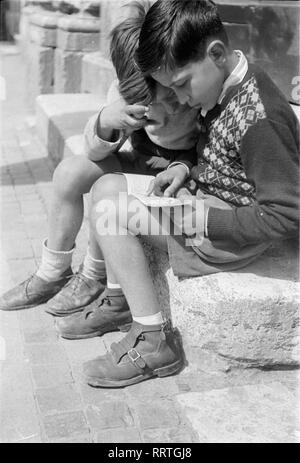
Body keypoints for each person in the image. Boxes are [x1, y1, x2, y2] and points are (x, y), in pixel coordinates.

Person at [77, 0, 299, 388]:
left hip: (228, 234)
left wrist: (205, 219)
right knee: (106, 186)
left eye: (179, 85)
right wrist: (186, 169)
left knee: (111, 212)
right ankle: (118, 299)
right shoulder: (221, 86)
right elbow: (226, 162)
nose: (179, 99)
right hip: (206, 203)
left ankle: (152, 340)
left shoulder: (260, 116)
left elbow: (286, 212)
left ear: (215, 54)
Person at [0, 1, 198, 317]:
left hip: (171, 181)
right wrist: (107, 120)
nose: (164, 108)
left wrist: (183, 163)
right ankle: (53, 271)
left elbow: (209, 154)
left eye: (166, 96)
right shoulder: (124, 94)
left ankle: (93, 275)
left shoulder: (191, 97)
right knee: (69, 173)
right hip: (141, 165)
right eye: (147, 104)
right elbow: (94, 152)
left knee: (107, 185)